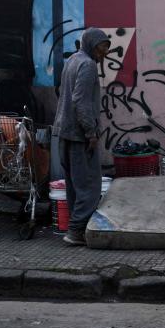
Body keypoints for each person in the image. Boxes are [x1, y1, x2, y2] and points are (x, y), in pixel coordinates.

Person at [53, 27, 110, 245]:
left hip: (64, 133)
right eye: (101, 48)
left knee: (74, 185)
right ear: (91, 45)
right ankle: (76, 231)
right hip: (79, 136)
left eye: (106, 49)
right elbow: (80, 101)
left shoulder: (72, 61)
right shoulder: (87, 65)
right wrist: (91, 132)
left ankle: (77, 229)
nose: (103, 53)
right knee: (89, 185)